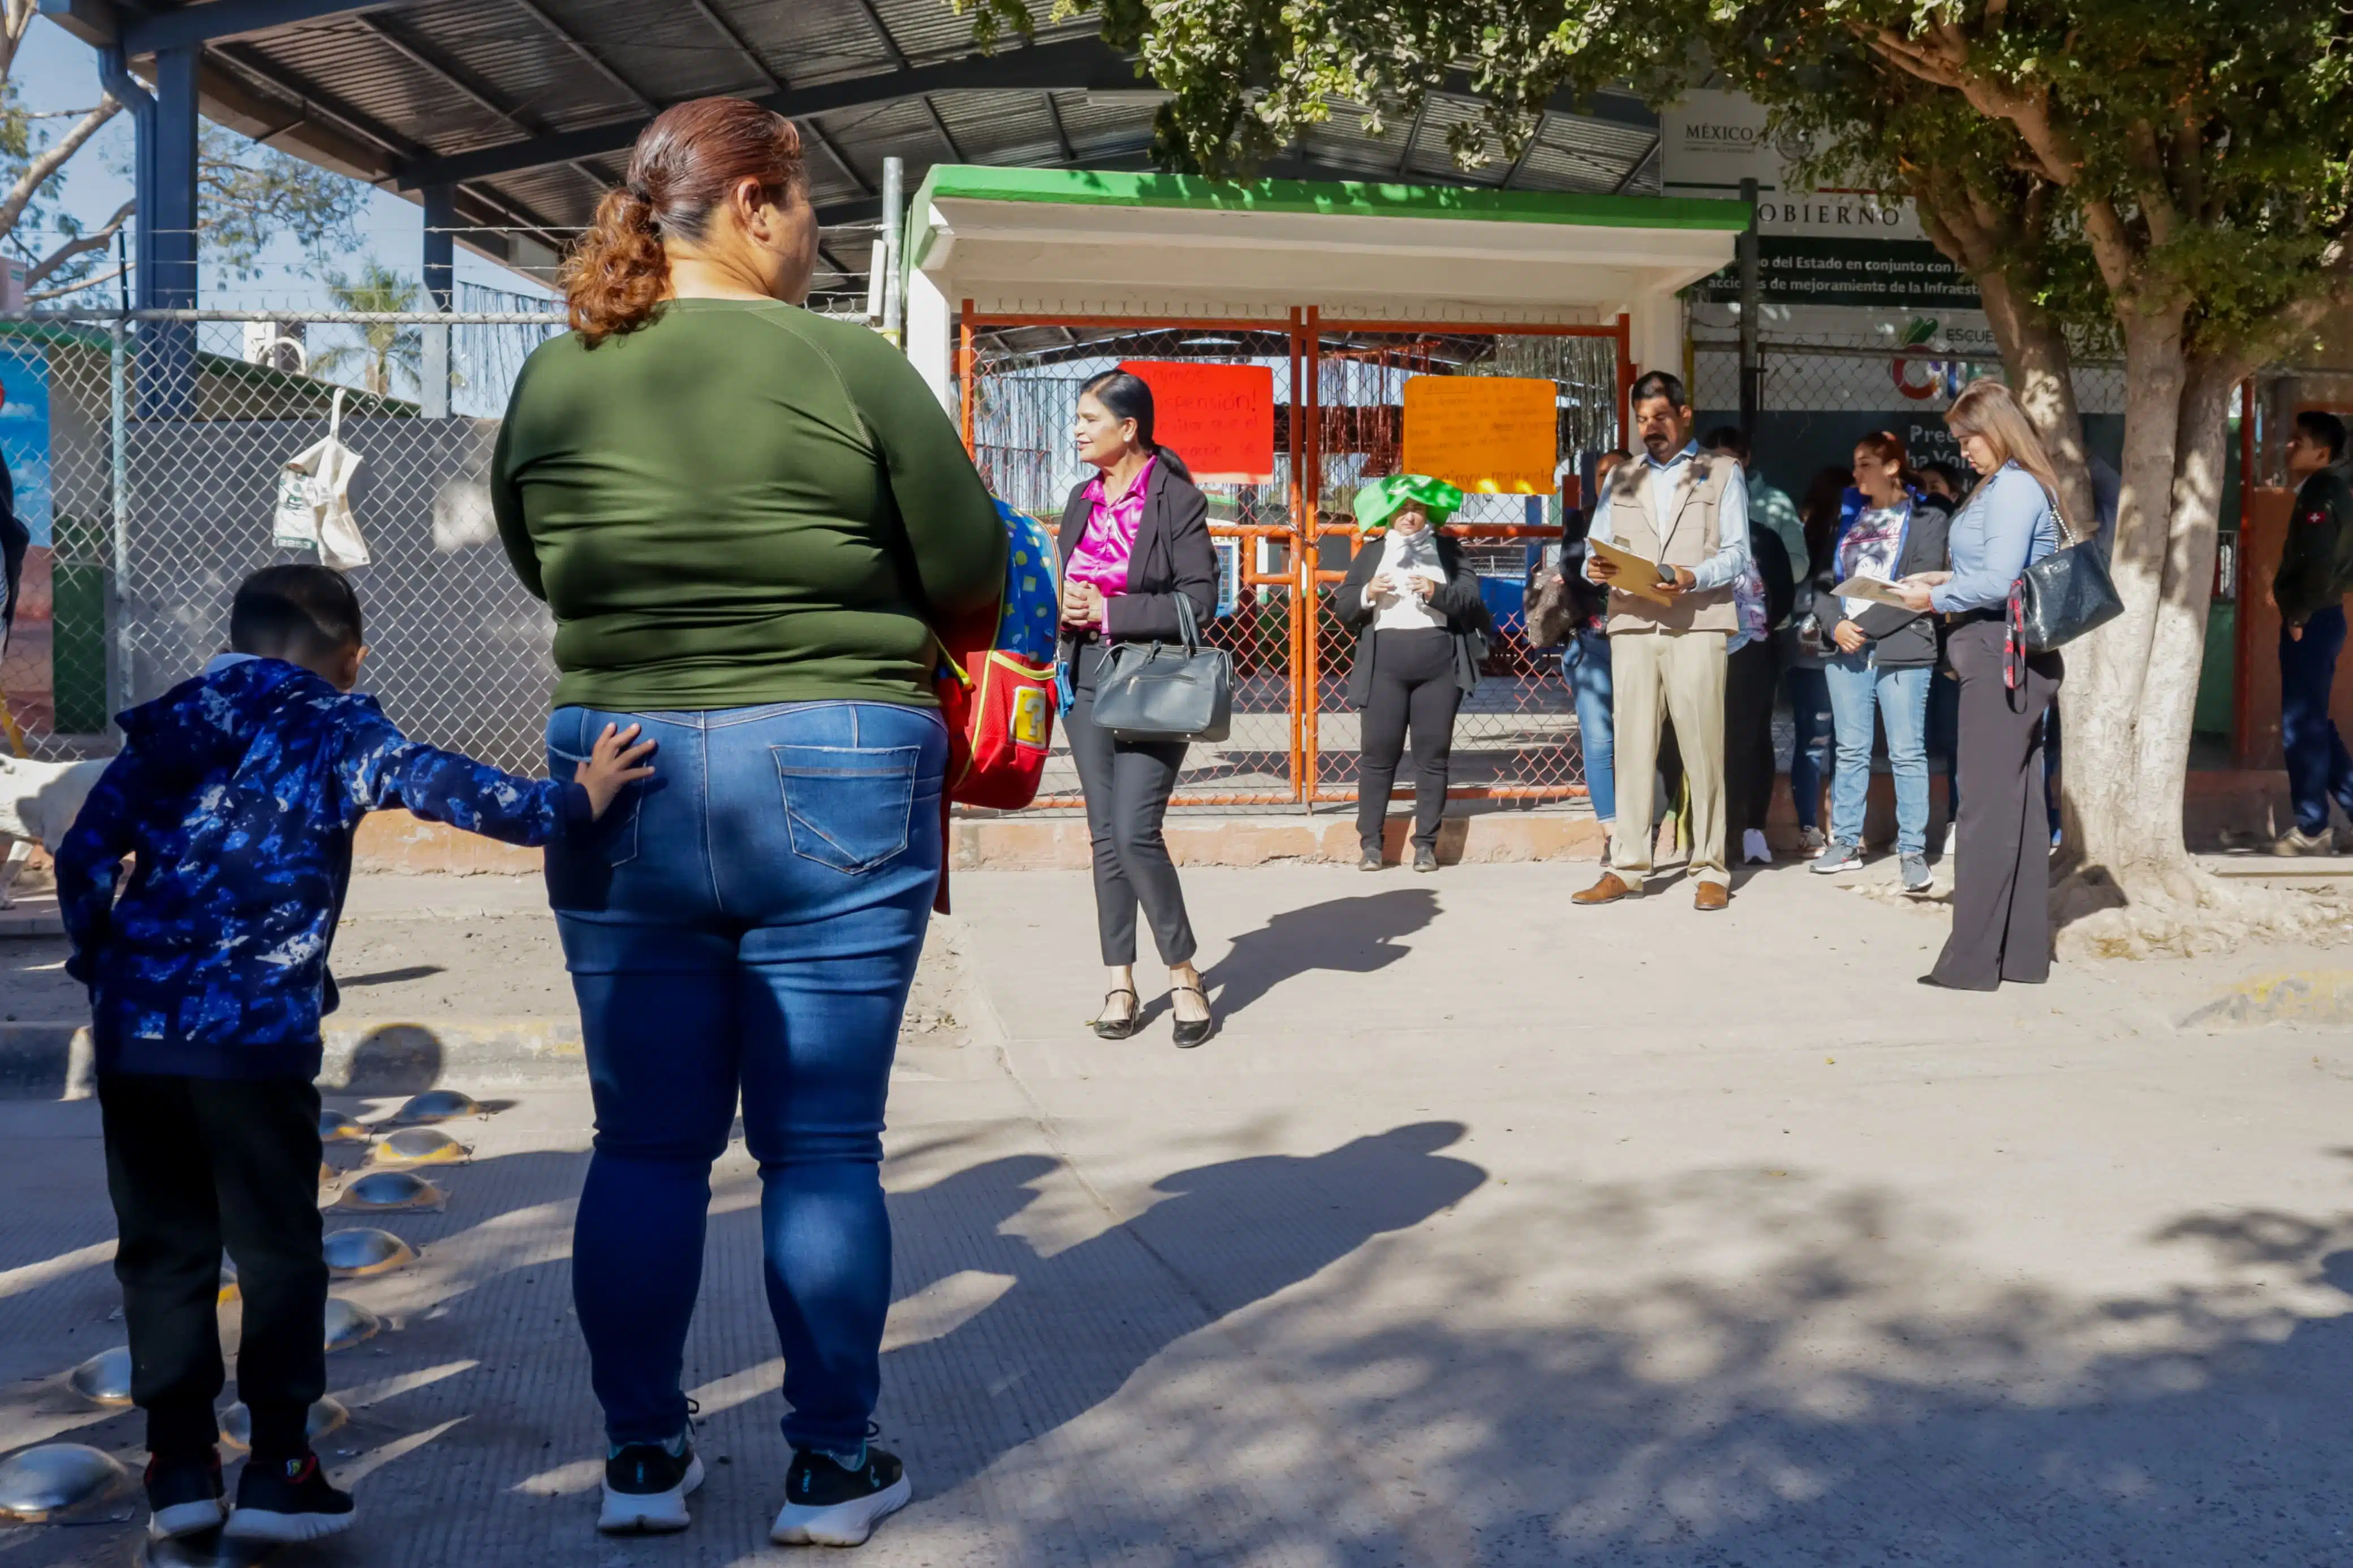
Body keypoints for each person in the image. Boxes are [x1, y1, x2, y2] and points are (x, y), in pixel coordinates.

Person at [492, 98, 1007, 1545]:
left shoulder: (555, 373)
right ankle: (832, 1468)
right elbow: (965, 560)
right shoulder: (849, 363)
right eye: (812, 210)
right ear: (760, 205)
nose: (819, 240)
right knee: (824, 1148)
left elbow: (548, 564)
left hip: (621, 763)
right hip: (839, 754)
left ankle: (643, 1461)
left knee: (644, 1148)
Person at [54, 565, 652, 1547]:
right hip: (256, 1044)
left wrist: (100, 961)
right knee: (278, 1246)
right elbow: (445, 787)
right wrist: (575, 802)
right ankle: (283, 1468)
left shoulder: (172, 720)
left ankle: (179, 1469)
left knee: (163, 1249)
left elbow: (85, 851)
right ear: (354, 656)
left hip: (141, 1036)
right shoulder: (335, 725)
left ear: (235, 639)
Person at [1055, 369, 1219, 1047]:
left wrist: (1110, 608)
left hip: (1153, 682)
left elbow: (1199, 602)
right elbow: (1067, 577)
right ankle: (1119, 979)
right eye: (1076, 418)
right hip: (1085, 675)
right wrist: (1069, 606)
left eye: (1089, 419)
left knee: (1133, 832)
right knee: (1103, 837)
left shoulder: (1177, 500)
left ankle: (1182, 971)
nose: (1077, 429)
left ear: (1129, 429)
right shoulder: (1078, 499)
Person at [1890, 381, 2064, 988]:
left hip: (1999, 654)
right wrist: (1945, 578)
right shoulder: (2005, 485)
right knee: (2014, 811)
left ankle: (1970, 962)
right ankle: (2018, 956)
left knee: (1986, 810)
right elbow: (1990, 570)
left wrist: (1932, 596)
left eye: (1969, 437)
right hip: (2002, 652)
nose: (1962, 449)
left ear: (1999, 429)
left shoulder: (2013, 485)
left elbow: (1997, 580)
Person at [1573, 371, 1751, 911]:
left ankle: (1711, 867)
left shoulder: (1722, 472)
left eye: (1661, 418)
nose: (1651, 429)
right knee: (1631, 748)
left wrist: (1690, 575)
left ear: (1685, 414)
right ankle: (1627, 866)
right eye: (1643, 420)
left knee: (1703, 747)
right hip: (1631, 623)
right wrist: (1598, 568)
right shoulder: (1621, 477)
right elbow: (1591, 554)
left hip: (1696, 621)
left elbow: (1739, 555)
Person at [1807, 431, 1952, 893]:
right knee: (1850, 749)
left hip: (1901, 644)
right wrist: (1836, 626)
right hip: (1847, 645)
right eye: (1856, 464)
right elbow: (1822, 582)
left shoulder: (1927, 514)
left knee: (1907, 751)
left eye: (1866, 463)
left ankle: (1912, 852)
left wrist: (1864, 626)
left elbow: (1920, 586)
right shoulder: (1848, 515)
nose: (1857, 473)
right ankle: (1846, 843)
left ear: (1892, 467)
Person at [1337, 474, 1492, 871]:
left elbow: (1472, 602)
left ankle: (1426, 844)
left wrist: (1436, 591)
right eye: (1403, 509)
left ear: (1428, 514)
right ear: (1390, 514)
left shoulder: (1448, 550)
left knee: (1432, 757)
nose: (1410, 516)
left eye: (1418, 509)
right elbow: (1341, 609)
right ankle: (1371, 844)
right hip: (1384, 666)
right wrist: (1368, 593)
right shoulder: (1373, 553)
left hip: (1438, 666)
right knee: (1377, 756)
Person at [1703, 429, 1795, 866]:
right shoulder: (1696, 534)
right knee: (1707, 742)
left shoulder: (1764, 537)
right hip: (1703, 652)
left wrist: (1753, 630)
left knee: (1750, 740)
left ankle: (1751, 829)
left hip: (1752, 653)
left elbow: (1782, 595)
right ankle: (1711, 836)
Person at [2265, 409, 2353, 854]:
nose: (2289, 446)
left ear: (2323, 452)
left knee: (2302, 725)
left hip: (2313, 620)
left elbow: (2320, 564)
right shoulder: (2327, 490)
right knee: (2314, 722)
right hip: (2323, 615)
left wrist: (2297, 614)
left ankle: (2313, 827)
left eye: (2299, 441)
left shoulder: (2322, 494)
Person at [1555, 451, 1629, 858]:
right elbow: (1570, 569)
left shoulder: (1654, 518)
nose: (1611, 479)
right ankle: (1612, 833)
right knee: (1600, 740)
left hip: (1640, 642)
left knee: (1643, 741)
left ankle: (1640, 827)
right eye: (1603, 474)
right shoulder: (1580, 521)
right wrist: (1599, 573)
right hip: (1595, 642)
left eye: (1620, 471)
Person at [1783, 465, 1852, 853]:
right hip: (1812, 650)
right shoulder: (1807, 535)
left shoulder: (1862, 534)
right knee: (1816, 738)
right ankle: (1811, 826)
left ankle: (1840, 827)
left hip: (1849, 646)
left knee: (1847, 741)